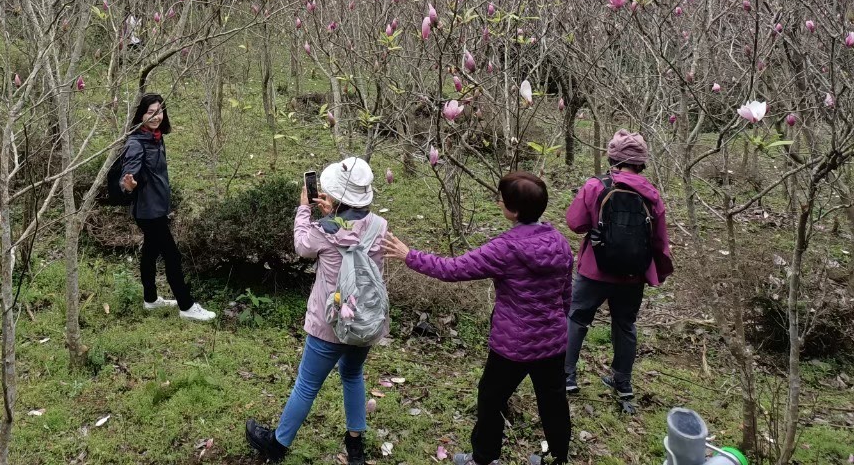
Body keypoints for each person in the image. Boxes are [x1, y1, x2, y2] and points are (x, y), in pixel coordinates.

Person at [383, 171, 572, 465]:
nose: (498, 201)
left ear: (514, 210)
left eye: (502, 199)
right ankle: (558, 458)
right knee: (553, 401)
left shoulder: (505, 248)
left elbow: (453, 269)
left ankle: (484, 458)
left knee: (490, 398)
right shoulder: (560, 242)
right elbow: (566, 295)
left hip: (514, 344)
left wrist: (410, 255)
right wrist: (556, 324)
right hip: (553, 341)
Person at [246, 157, 386, 465]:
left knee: (307, 385)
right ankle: (355, 445)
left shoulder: (325, 229)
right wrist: (333, 213)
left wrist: (304, 209)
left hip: (330, 322)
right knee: (352, 374)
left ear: (336, 196)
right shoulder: (379, 226)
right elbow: (352, 230)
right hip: (364, 322)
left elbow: (301, 246)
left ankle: (277, 445)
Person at [564, 129, 673, 414]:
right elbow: (660, 240)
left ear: (613, 157)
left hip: (594, 269)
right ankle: (622, 382)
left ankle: (566, 376)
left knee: (577, 317)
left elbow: (574, 223)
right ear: (641, 162)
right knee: (625, 325)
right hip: (633, 275)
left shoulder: (595, 186)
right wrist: (657, 272)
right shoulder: (652, 195)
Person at [119, 93, 215, 321]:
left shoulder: (155, 137)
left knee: (150, 252)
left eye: (159, 111)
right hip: (148, 211)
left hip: (157, 207)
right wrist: (129, 185)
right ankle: (187, 305)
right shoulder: (136, 143)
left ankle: (150, 300)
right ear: (140, 114)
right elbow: (128, 177)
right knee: (172, 256)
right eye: (150, 112)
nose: (156, 117)